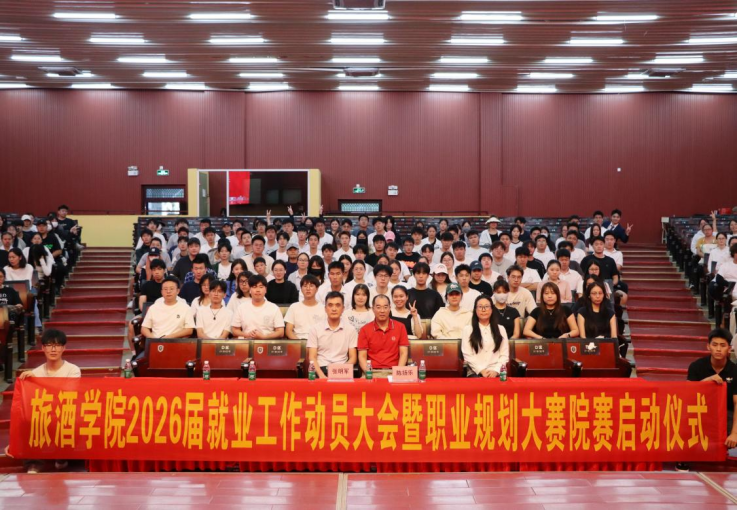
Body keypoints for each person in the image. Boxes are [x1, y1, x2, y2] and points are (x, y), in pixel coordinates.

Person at [10, 329, 81, 473]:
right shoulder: (35, 372)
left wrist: (39, 382)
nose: (53, 349)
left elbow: (68, 394)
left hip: (64, 412)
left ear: (63, 348)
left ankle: (62, 456)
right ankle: (34, 463)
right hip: (43, 413)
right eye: (49, 345)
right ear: (43, 348)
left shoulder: (73, 370)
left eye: (57, 345)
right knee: (28, 419)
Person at [687, 328, 737, 450]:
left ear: (729, 348)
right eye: (715, 345)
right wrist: (707, 381)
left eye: (723, 345)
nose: (718, 349)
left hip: (727, 414)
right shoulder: (696, 366)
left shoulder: (735, 370)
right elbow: (688, 394)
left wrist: (734, 433)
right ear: (708, 346)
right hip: (700, 412)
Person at [307, 292, 358, 379]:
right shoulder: (315, 329)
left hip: (342, 369)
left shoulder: (350, 329)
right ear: (325, 308)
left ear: (343, 309)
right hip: (321, 368)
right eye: (330, 305)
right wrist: (321, 376)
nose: (334, 309)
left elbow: (353, 357)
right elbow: (312, 357)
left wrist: (341, 372)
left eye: (338, 305)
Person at [358, 294, 409, 374]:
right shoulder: (364, 330)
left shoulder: (400, 327)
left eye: (385, 307)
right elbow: (362, 356)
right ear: (373, 309)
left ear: (390, 308)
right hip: (372, 371)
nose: (382, 311)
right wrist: (369, 373)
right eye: (378, 307)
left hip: (394, 370)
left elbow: (403, 353)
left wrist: (398, 373)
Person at [461, 295, 509, 378]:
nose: (483, 310)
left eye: (486, 306)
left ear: (492, 309)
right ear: (475, 310)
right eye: (480, 307)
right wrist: (481, 370)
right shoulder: (468, 329)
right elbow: (467, 354)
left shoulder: (501, 329)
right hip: (475, 371)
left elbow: (504, 355)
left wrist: (496, 370)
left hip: (496, 371)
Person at [231, 275, 285, 339]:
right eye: (254, 287)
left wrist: (264, 337)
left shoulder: (274, 308)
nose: (258, 290)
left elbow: (280, 332)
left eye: (261, 287)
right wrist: (247, 335)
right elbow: (234, 330)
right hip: (247, 342)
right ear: (250, 290)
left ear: (265, 290)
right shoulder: (241, 308)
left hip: (267, 342)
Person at [285, 275, 326, 340]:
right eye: (305, 286)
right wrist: (299, 343)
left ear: (317, 289)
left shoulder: (324, 309)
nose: (308, 288)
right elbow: (288, 331)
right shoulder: (294, 307)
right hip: (298, 341)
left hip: (318, 341)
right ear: (301, 289)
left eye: (311, 286)